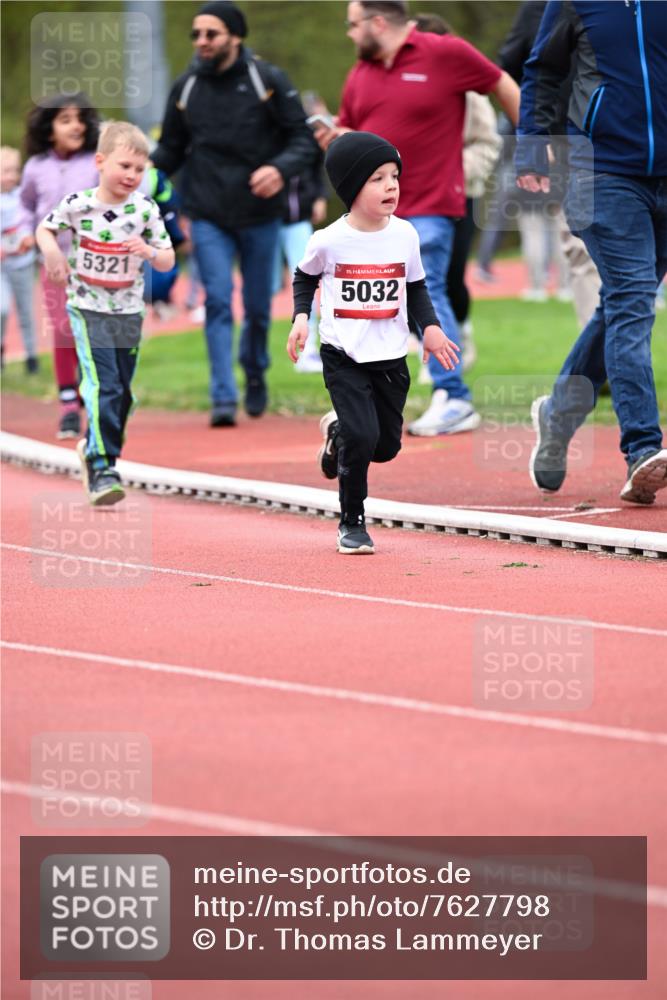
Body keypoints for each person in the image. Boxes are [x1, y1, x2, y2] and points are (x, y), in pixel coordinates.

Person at [315, 1, 519, 436]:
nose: (349, 35)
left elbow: (501, 82)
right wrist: (335, 141)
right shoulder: (360, 75)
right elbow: (350, 131)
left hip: (431, 203)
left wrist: (538, 141)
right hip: (373, 216)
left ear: (378, 22)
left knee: (421, 289)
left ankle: (454, 396)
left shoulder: (445, 52)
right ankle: (365, 396)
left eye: (353, 26)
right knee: (368, 297)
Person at [517, 0, 667, 505]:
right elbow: (541, 69)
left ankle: (557, 416)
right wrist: (533, 147)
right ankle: (643, 449)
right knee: (631, 302)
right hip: (600, 171)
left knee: (619, 307)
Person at [287, 132, 459, 554]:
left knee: (385, 446)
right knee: (362, 439)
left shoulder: (405, 235)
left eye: (395, 176)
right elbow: (305, 276)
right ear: (350, 187)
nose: (391, 186)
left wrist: (431, 327)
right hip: (343, 354)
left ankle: (337, 433)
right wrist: (301, 318)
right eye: (377, 178)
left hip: (390, 356)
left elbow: (416, 286)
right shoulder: (328, 240)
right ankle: (352, 522)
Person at [152, 0, 316, 428]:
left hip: (261, 214)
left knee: (259, 308)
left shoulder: (268, 80)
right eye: (196, 35)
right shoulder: (186, 86)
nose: (201, 42)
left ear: (235, 36)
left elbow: (303, 139)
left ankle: (256, 371)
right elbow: (170, 148)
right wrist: (137, 180)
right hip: (207, 213)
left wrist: (278, 169)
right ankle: (222, 395)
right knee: (219, 301)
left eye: (211, 33)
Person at [36, 122, 175, 505]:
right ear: (100, 162)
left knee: (124, 393)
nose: (131, 175)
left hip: (128, 311)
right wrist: (52, 252)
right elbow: (44, 230)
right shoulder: (78, 205)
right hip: (87, 307)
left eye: (139, 169)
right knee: (103, 385)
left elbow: (167, 259)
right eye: (124, 166)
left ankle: (98, 450)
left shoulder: (145, 209)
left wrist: (148, 253)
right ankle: (102, 465)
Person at [19, 93, 100, 438]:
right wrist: (26, 232)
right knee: (63, 330)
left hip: (95, 262)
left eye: (80, 118)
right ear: (48, 128)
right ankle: (69, 405)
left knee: (93, 331)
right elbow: (26, 205)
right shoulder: (36, 166)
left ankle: (93, 393)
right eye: (65, 119)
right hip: (53, 262)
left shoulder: (95, 163)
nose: (76, 125)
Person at [1, 147, 37, 372]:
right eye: (5, 171)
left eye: (15, 170)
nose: (11, 176)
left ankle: (31, 357)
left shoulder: (23, 195)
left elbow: (31, 222)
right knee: (2, 309)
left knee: (26, 311)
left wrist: (29, 237)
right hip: (1, 267)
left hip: (22, 263)